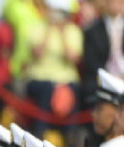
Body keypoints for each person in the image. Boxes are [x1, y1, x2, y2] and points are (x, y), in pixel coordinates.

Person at [20, 0, 82, 137]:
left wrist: (62, 34)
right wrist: (49, 30)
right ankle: (40, 133)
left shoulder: (73, 30)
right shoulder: (36, 28)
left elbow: (73, 59)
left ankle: (70, 137)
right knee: (46, 91)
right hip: (40, 79)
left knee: (70, 93)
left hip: (66, 80)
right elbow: (37, 54)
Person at [82, 0, 124, 102]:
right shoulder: (92, 30)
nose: (116, 5)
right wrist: (109, 77)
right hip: (102, 78)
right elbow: (91, 63)